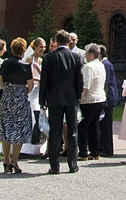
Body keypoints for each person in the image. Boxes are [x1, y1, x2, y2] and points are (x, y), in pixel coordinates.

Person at [39, 30, 83, 174]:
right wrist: (77, 96)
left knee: (55, 132)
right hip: (71, 99)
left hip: (54, 99)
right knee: (72, 132)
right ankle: (72, 165)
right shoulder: (76, 57)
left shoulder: (48, 58)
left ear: (56, 42)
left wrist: (42, 99)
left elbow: (44, 81)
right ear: (69, 41)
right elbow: (79, 80)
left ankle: (54, 166)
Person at [0, 37, 34, 174]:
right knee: (20, 129)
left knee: (7, 128)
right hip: (20, 99)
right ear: (23, 50)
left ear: (12, 49)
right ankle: (14, 161)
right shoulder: (25, 66)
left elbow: (1, 80)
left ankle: (6, 160)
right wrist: (22, 91)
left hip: (7, 97)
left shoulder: (5, 63)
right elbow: (30, 85)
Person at [78, 43, 106, 161]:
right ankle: (95, 152)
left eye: (86, 54)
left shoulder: (89, 67)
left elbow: (86, 86)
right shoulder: (101, 65)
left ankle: (83, 152)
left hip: (89, 100)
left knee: (83, 126)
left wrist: (78, 98)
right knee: (94, 126)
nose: (85, 56)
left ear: (90, 55)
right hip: (100, 98)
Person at [24, 37, 46, 154]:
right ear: (35, 47)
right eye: (40, 47)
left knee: (41, 118)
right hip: (31, 91)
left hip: (39, 92)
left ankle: (39, 146)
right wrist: (37, 79)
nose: (42, 49)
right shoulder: (29, 59)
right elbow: (25, 76)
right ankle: (27, 147)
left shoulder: (42, 61)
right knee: (32, 116)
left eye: (44, 47)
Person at [98, 45, 119, 157]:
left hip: (107, 99)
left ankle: (107, 149)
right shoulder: (106, 64)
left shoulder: (105, 64)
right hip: (107, 98)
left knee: (106, 126)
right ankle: (104, 148)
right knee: (103, 125)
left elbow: (105, 82)